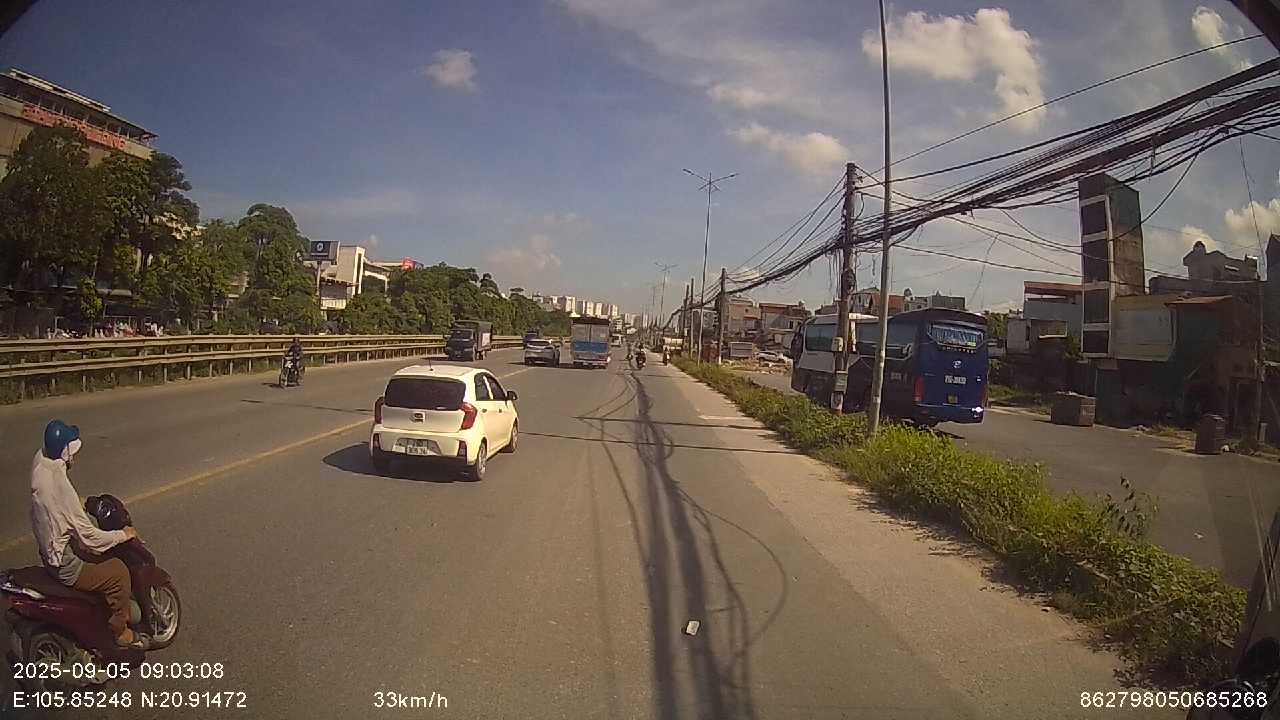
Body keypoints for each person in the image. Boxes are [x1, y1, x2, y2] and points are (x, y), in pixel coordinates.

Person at [29, 420, 146, 649]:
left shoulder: (41, 462)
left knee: (95, 557)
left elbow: (58, 503)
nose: (74, 456)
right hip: (64, 563)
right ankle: (120, 632)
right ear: (65, 453)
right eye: (71, 451)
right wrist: (123, 534)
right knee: (118, 572)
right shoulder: (60, 488)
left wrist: (76, 503)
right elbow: (91, 538)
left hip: (49, 546)